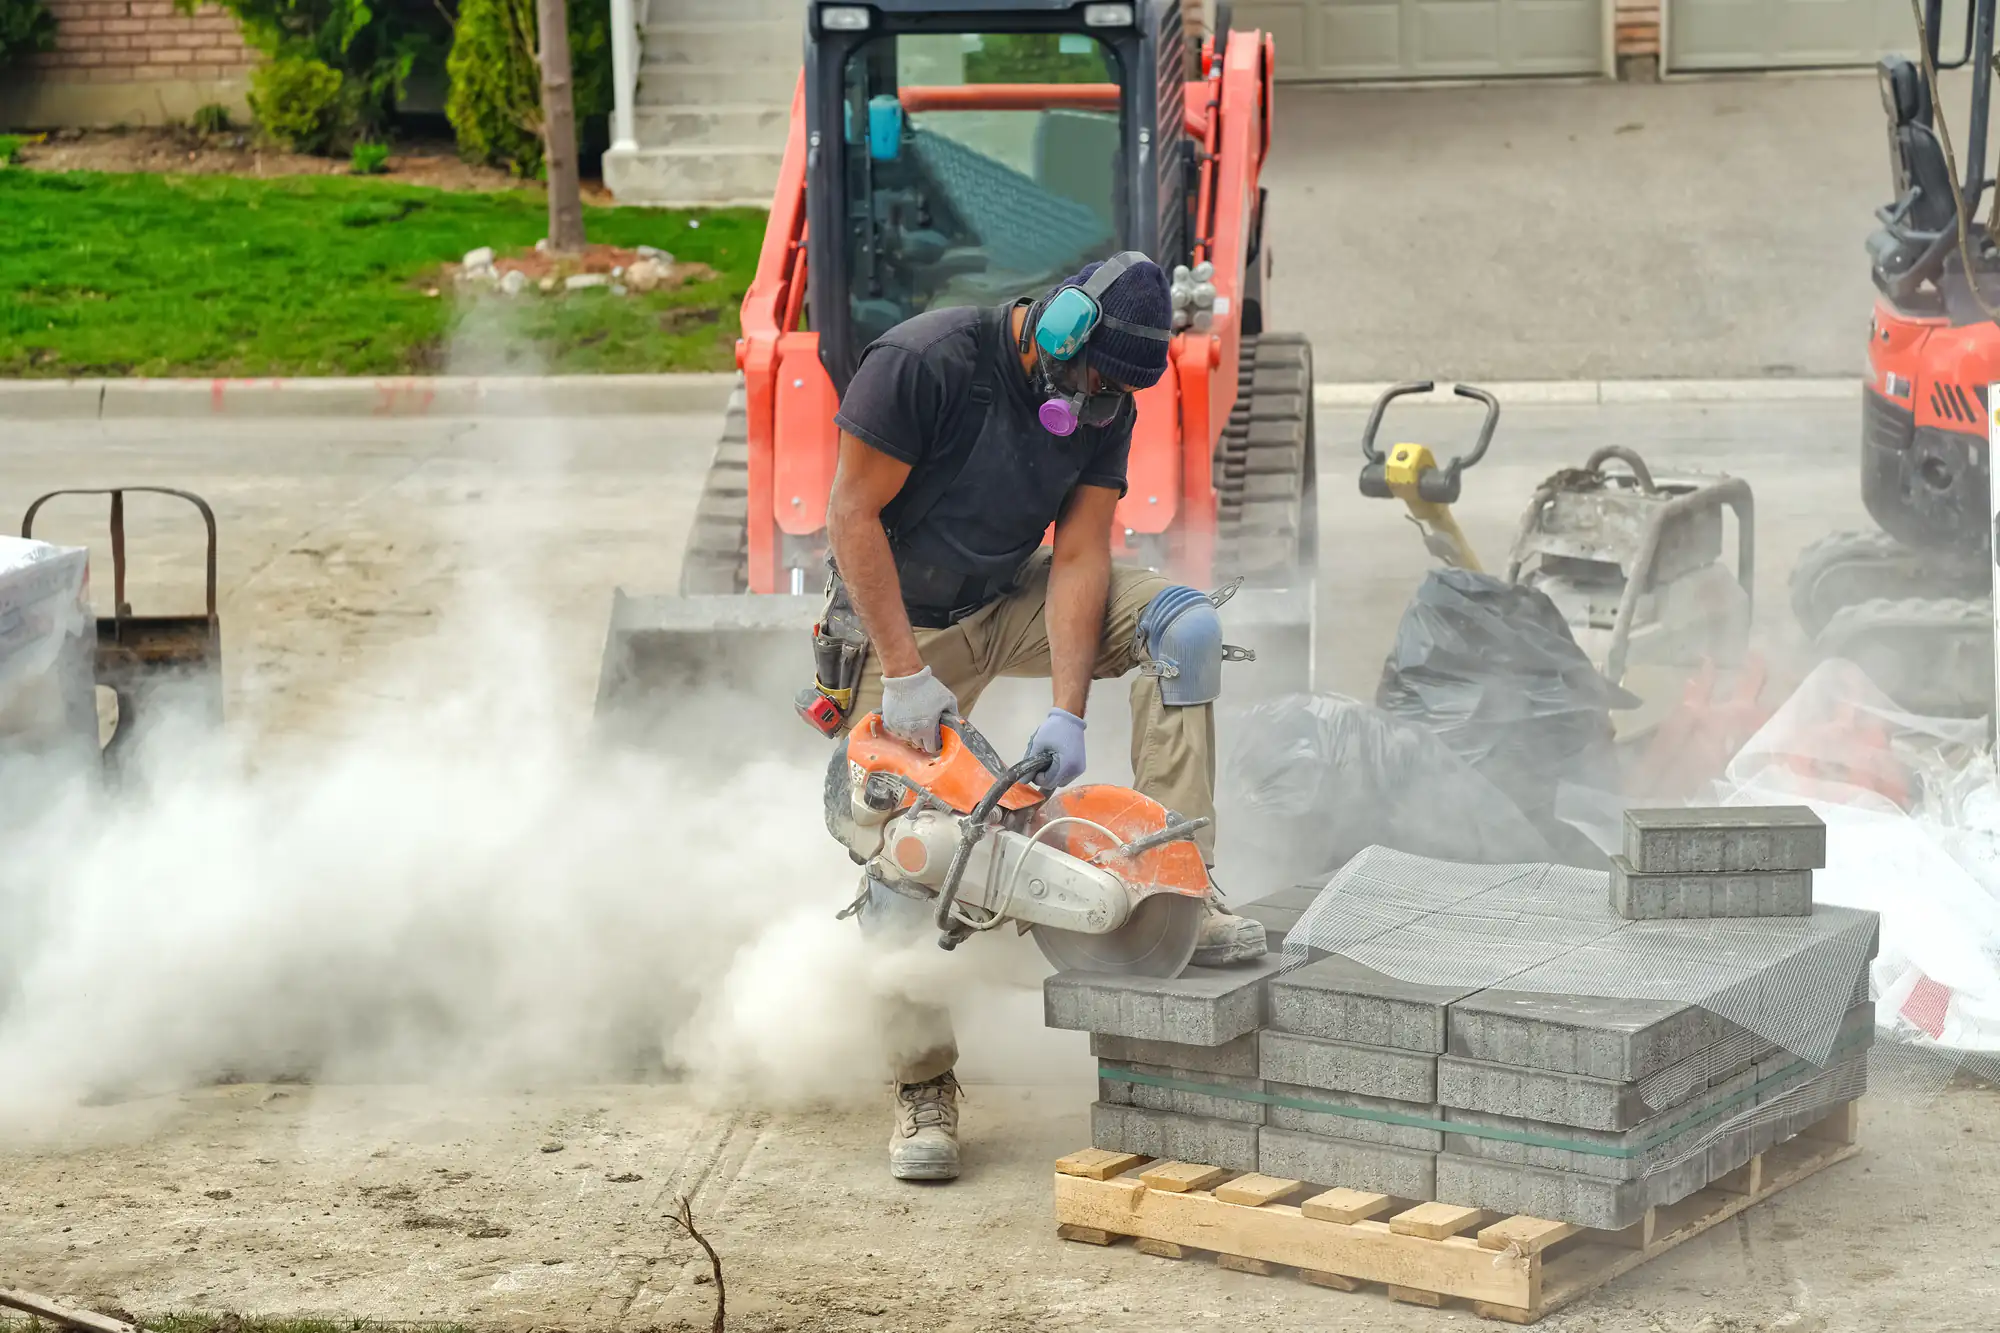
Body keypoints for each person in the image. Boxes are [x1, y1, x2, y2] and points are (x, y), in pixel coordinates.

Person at [820, 250, 1267, 1183]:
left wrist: (1068, 713)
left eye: (1119, 392)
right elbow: (850, 516)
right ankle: (923, 1087)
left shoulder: (1110, 401)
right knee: (909, 845)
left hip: (1008, 595)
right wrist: (902, 674)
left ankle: (1180, 879)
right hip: (904, 620)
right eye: (1094, 379)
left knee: (1184, 633)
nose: (1100, 404)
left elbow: (1078, 558)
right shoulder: (924, 364)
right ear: (1060, 326)